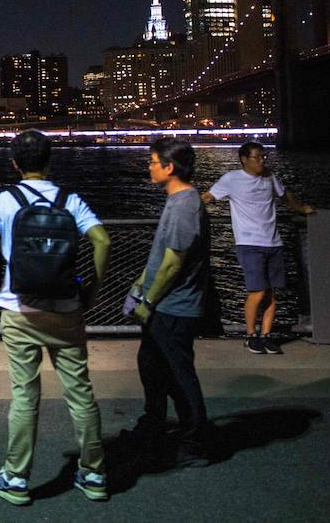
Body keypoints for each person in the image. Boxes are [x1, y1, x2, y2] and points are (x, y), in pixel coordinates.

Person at [0, 130, 112, 506]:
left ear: (14, 163)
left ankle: (16, 478)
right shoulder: (71, 200)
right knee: (80, 392)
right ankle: (95, 473)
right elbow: (103, 241)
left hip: (18, 310)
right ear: (50, 161)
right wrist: (93, 291)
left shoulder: (4, 201)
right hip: (67, 310)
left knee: (25, 394)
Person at [127, 137, 213, 467]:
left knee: (179, 375)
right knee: (151, 366)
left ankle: (195, 442)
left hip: (174, 306)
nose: (148, 167)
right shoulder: (178, 201)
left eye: (152, 162)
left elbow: (174, 261)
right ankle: (154, 424)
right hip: (164, 304)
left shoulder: (184, 205)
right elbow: (162, 257)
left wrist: (148, 299)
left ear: (169, 167)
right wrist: (140, 283)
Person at [202, 141, 313, 355]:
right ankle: (250, 335)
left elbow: (284, 194)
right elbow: (208, 197)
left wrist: (301, 208)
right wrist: (184, 204)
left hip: (274, 242)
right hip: (249, 243)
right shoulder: (231, 179)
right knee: (258, 291)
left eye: (263, 157)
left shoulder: (269, 177)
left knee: (271, 293)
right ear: (244, 159)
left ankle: (266, 335)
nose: (262, 160)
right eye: (257, 157)